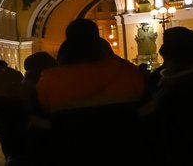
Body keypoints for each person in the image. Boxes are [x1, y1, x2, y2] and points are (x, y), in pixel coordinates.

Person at [35, 19, 146, 166]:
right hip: (124, 152)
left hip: (72, 154)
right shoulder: (127, 71)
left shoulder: (50, 79)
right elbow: (148, 117)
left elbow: (41, 127)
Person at [139, 26, 193, 166]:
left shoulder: (185, 85)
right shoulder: (186, 79)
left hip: (187, 157)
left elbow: (175, 129)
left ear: (174, 57)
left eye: (166, 56)